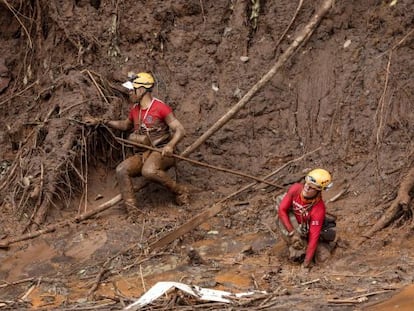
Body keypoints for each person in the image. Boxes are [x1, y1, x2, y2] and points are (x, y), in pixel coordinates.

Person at [85, 71, 189, 216]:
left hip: (161, 152)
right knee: (122, 169)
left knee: (148, 171)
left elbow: (180, 130)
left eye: (132, 89)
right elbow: (125, 125)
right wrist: (102, 122)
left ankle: (180, 191)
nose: (129, 93)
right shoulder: (135, 110)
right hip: (142, 153)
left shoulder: (160, 107)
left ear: (141, 90)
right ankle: (133, 212)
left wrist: (170, 145)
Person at [276, 168, 336, 269]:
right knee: (280, 211)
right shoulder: (296, 188)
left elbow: (313, 238)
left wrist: (306, 264)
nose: (306, 188)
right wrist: (292, 233)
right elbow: (282, 210)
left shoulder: (318, 209)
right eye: (307, 184)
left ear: (318, 191)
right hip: (296, 224)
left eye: (312, 187)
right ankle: (295, 245)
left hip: (309, 230)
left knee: (322, 257)